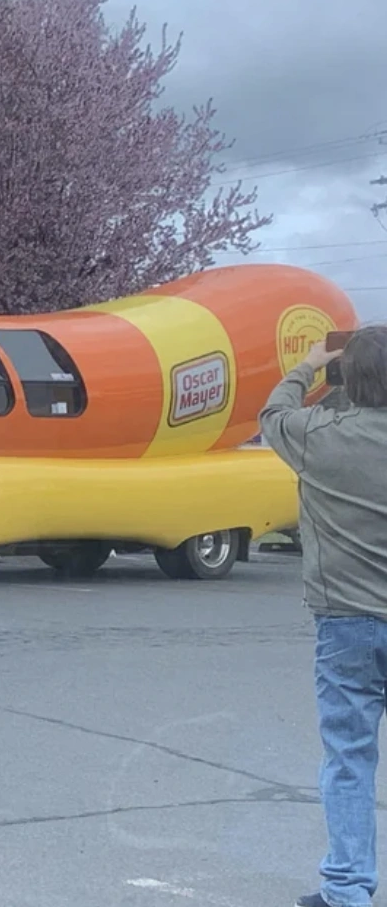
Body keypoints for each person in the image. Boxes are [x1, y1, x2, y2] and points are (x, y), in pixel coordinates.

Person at [260, 330, 387, 907]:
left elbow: (272, 414)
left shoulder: (318, 437)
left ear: (346, 380)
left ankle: (348, 889)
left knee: (349, 757)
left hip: (347, 621)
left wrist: (309, 366)